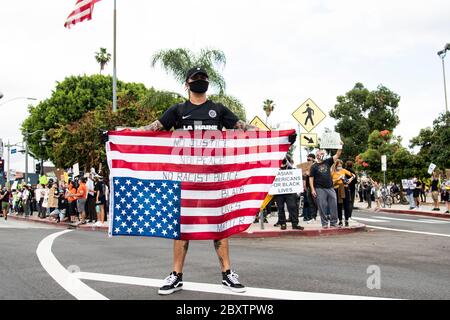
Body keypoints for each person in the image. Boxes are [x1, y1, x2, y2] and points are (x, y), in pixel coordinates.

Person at [135, 67, 261, 295]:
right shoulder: (177, 110)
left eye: (204, 78)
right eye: (196, 78)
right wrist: (120, 133)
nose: (200, 81)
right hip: (185, 180)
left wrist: (277, 135)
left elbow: (245, 129)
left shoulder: (218, 110)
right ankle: (176, 275)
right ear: (187, 83)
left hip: (215, 179)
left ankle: (227, 274)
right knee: (181, 228)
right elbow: (150, 130)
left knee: (219, 226)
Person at [309, 144, 343, 229]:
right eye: (319, 154)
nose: (321, 155)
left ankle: (333, 223)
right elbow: (311, 179)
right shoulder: (313, 166)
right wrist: (312, 189)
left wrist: (340, 146)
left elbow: (337, 154)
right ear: (317, 156)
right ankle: (324, 223)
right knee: (322, 206)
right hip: (319, 189)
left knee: (334, 205)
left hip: (330, 188)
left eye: (322, 153)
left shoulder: (328, 161)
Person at [274, 156, 304, 231]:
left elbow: (296, 177)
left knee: (292, 207)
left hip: (290, 191)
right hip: (279, 192)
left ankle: (295, 224)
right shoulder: (274, 169)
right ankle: (283, 223)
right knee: (280, 208)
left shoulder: (290, 168)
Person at [331, 159, 355, 226]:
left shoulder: (344, 170)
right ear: (335, 166)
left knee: (346, 204)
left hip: (345, 188)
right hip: (337, 189)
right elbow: (331, 182)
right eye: (338, 166)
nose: (340, 167)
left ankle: (346, 220)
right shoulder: (333, 172)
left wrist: (350, 180)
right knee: (339, 205)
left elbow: (353, 175)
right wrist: (338, 179)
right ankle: (340, 220)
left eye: (341, 166)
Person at [302, 153, 317, 223]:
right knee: (310, 202)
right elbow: (304, 176)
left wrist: (309, 173)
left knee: (316, 202)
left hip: (315, 186)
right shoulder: (306, 165)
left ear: (313, 158)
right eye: (307, 157)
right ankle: (312, 216)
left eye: (309, 157)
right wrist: (304, 185)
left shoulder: (316, 165)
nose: (308, 158)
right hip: (308, 186)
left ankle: (315, 216)